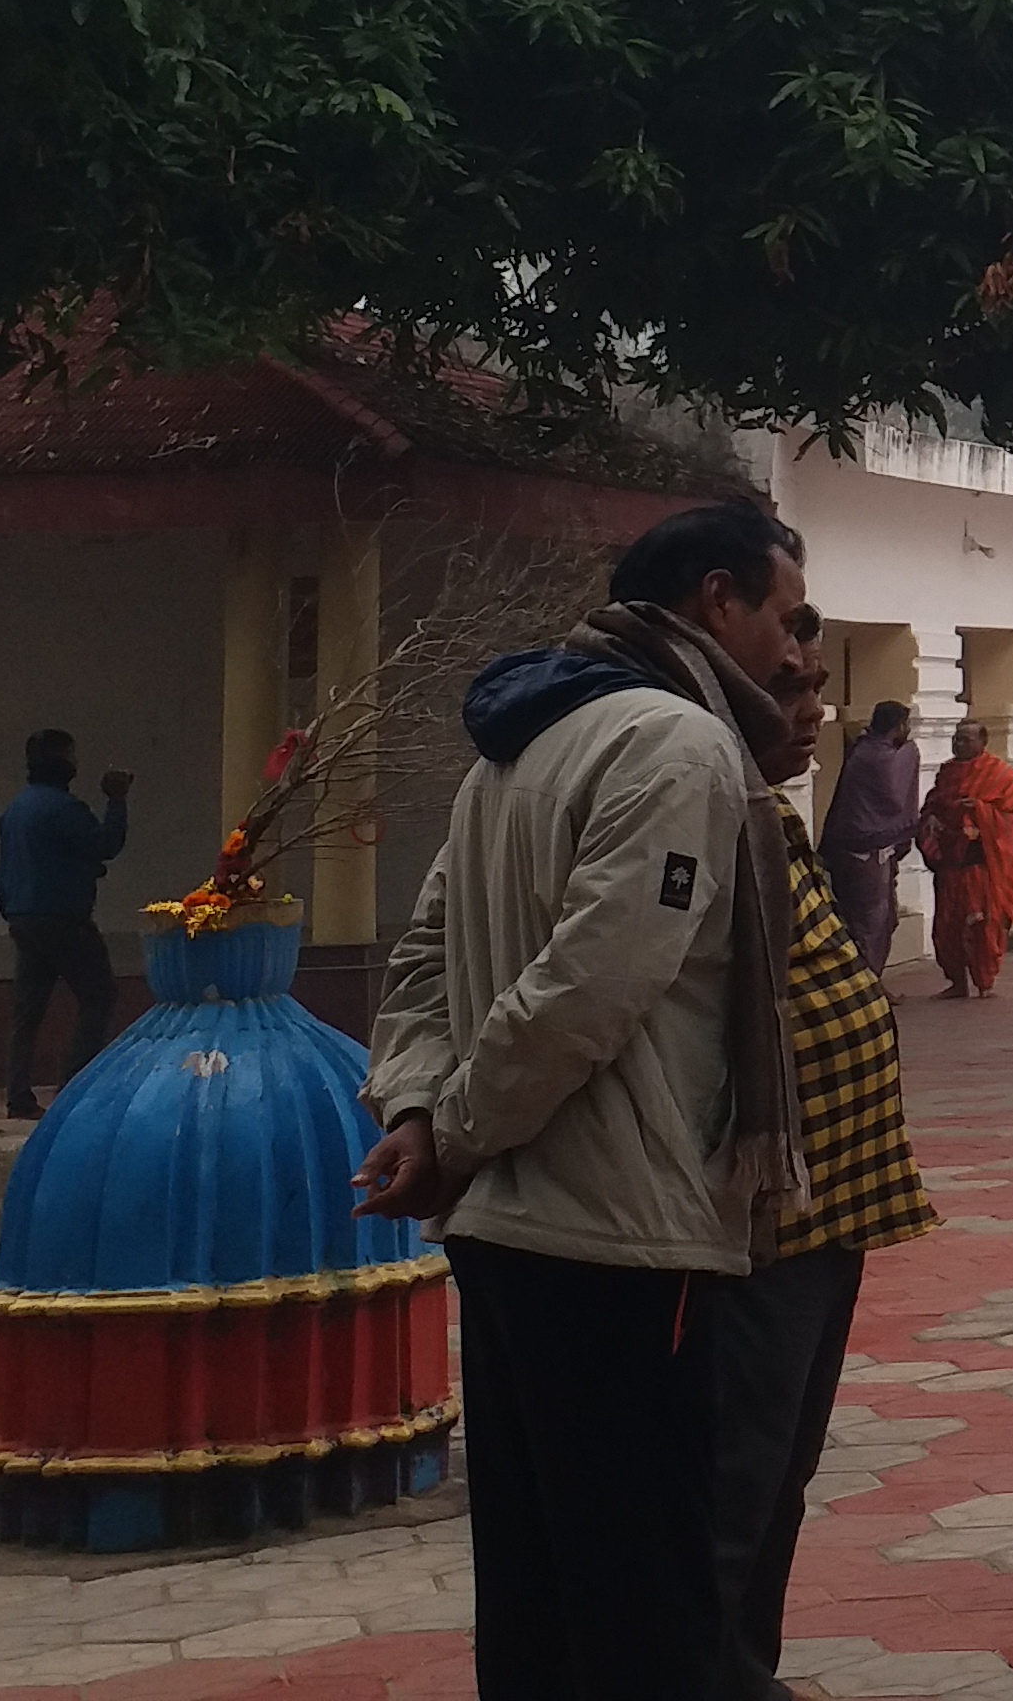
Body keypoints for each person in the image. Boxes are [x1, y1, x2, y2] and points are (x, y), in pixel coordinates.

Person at [354, 498, 822, 1701]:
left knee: (536, 1591)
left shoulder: (516, 748)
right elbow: (594, 984)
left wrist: (417, 1112)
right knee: (643, 1602)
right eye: (786, 616)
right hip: (620, 1236)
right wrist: (446, 1129)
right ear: (717, 601)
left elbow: (420, 960)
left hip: (512, 1230)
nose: (801, 652)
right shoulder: (675, 747)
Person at [713, 673, 939, 1701]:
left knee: (781, 1471)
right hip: (756, 1211)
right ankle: (711, 1666)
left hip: (830, 1200)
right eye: (790, 687)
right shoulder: (714, 815)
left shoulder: (778, 817)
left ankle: (745, 1663)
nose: (815, 714)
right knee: (738, 1471)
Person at [0, 730, 135, 1119]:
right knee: (99, 995)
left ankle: (18, 1096)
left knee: (27, 1010)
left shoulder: (15, 810)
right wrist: (117, 800)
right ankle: (75, 1086)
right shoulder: (65, 809)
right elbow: (105, 843)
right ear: (62, 762)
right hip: (64, 918)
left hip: (22, 918)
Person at [917, 720, 1013, 1000]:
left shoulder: (1001, 775)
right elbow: (933, 804)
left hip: (981, 865)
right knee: (947, 926)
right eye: (956, 739)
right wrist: (933, 820)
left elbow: (1007, 818)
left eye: (966, 739)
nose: (959, 744)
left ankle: (984, 981)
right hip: (950, 864)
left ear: (983, 740)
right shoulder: (947, 772)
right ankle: (956, 982)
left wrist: (979, 810)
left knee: (982, 925)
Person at [814, 701, 923, 969]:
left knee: (884, 920)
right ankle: (865, 983)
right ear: (899, 725)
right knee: (868, 923)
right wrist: (910, 752)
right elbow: (894, 797)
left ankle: (872, 981)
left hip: (870, 848)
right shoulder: (879, 756)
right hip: (863, 851)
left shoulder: (861, 750)